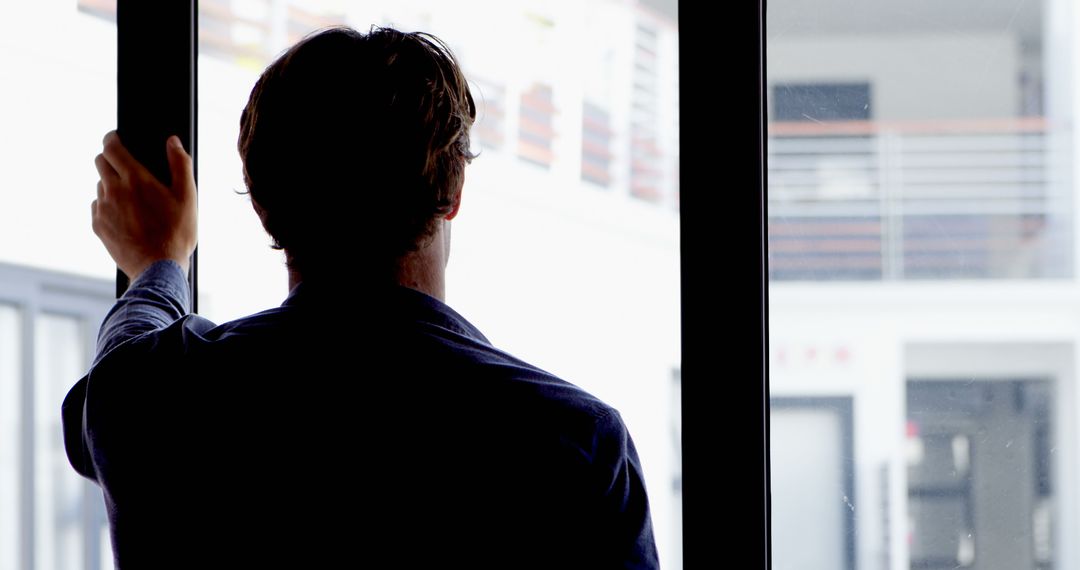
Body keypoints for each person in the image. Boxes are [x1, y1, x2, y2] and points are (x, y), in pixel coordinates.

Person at [63, 25, 659, 568]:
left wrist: (161, 266)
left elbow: (123, 363)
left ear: (264, 207)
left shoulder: (151, 399)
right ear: (452, 191)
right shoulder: (575, 443)